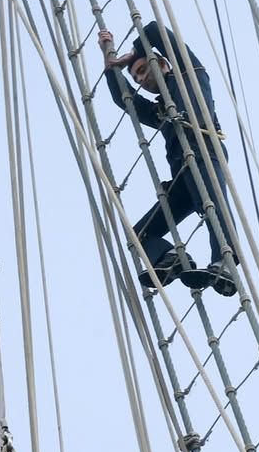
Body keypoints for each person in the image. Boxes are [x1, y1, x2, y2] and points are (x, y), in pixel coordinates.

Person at [98, 21, 238, 296]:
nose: (140, 81)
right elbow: (125, 101)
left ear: (161, 62)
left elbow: (153, 30)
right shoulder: (160, 111)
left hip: (203, 154)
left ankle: (225, 261)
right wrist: (109, 63)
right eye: (136, 79)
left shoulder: (193, 77)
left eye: (141, 70)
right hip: (181, 177)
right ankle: (170, 258)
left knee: (212, 205)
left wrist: (132, 51)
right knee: (140, 234)